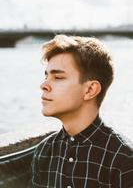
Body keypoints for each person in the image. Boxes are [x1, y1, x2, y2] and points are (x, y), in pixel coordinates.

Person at [31, 35, 133, 188]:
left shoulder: (123, 158)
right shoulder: (44, 151)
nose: (44, 85)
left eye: (58, 77)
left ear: (90, 90)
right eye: (46, 76)